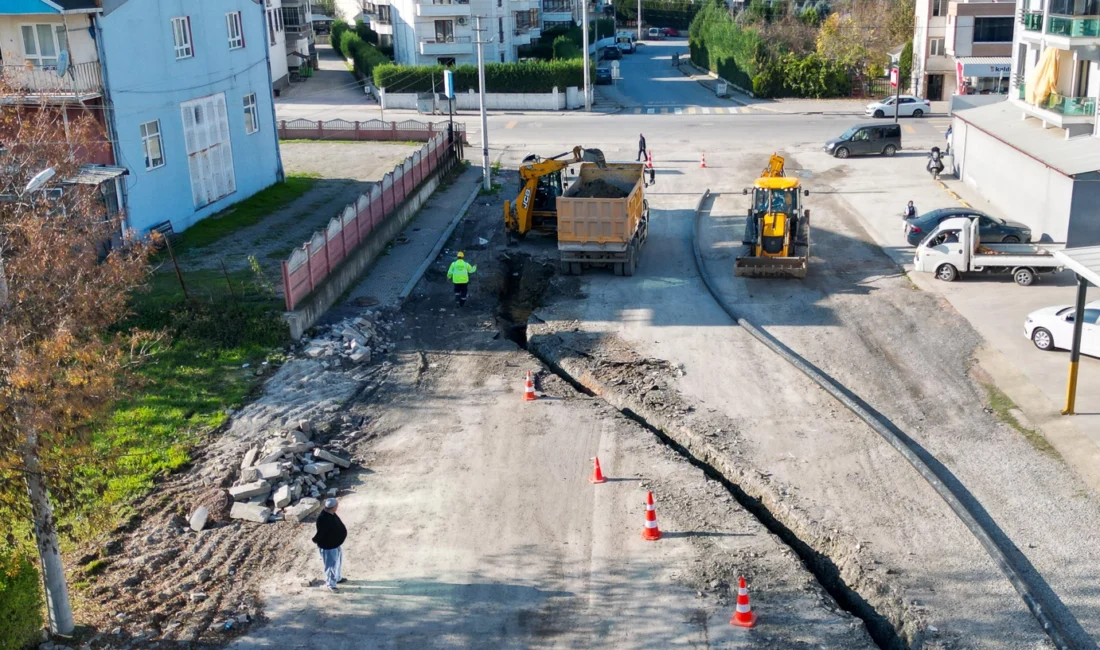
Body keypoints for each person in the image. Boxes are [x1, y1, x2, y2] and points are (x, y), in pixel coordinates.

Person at [312, 498, 347, 592]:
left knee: (338, 562)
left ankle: (337, 578)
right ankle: (331, 585)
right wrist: (315, 540)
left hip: (335, 544)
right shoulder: (323, 518)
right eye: (337, 505)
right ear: (333, 507)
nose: (337, 507)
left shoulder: (331, 513)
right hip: (328, 547)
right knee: (330, 565)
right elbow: (321, 533)